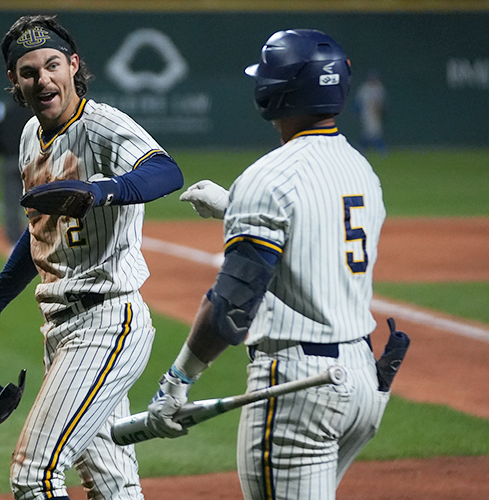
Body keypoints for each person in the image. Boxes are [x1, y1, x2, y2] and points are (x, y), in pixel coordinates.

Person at [146, 30, 391, 500]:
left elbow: (231, 307)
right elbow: (311, 232)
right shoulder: (361, 169)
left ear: (277, 91)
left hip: (299, 389)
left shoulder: (269, 176)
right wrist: (235, 206)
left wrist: (177, 380)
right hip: (362, 381)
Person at [0, 14, 183, 500]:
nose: (43, 79)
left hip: (107, 322)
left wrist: (103, 191)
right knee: (111, 484)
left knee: (33, 475)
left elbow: (166, 172)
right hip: (61, 329)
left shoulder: (103, 125)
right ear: (14, 81)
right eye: (29, 70)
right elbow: (41, 234)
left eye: (53, 65)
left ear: (74, 66)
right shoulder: (27, 138)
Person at [0, 99, 35, 245]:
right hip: (31, 162)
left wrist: (4, 152)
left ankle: (14, 240)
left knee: (11, 202)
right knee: (39, 200)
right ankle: (40, 235)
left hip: (10, 160)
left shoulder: (4, 110)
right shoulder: (35, 112)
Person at [354, 69, 387, 154]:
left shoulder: (379, 87)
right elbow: (359, 101)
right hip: (367, 112)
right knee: (371, 131)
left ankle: (362, 147)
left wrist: (380, 110)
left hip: (376, 113)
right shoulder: (365, 87)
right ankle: (380, 148)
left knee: (373, 131)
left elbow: (381, 101)